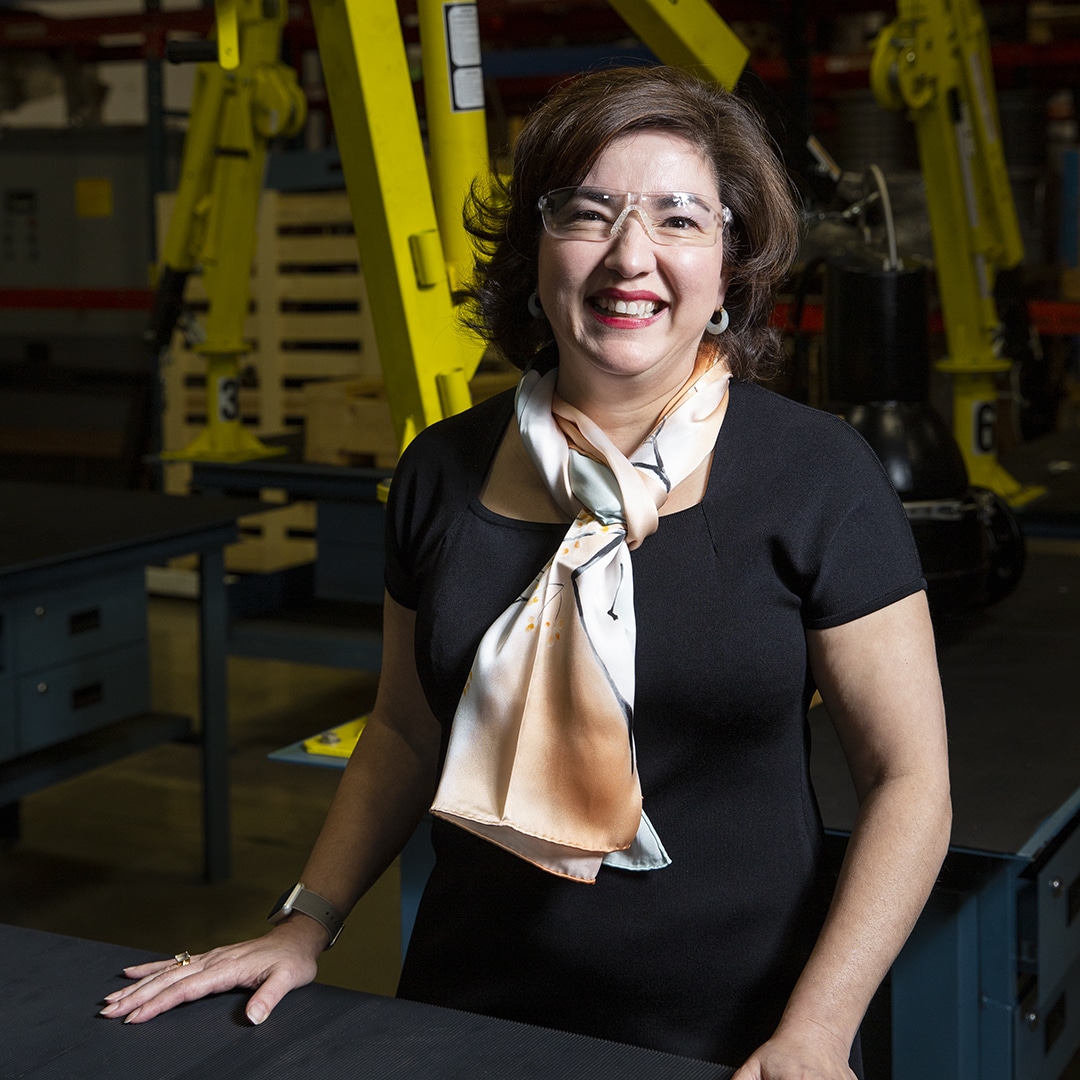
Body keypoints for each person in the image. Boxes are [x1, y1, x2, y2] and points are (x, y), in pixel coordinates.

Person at [100, 65, 951, 1079]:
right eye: (587, 213)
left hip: (741, 1036)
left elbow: (909, 782)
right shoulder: (441, 471)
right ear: (535, 253)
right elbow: (403, 730)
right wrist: (304, 922)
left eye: (679, 219)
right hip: (470, 1015)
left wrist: (817, 1029)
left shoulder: (818, 476)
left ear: (730, 264)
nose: (630, 256)